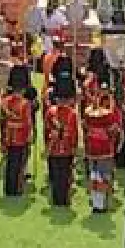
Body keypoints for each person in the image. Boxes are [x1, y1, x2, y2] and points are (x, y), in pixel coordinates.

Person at [80, 57, 121, 212]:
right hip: (105, 147)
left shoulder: (90, 109)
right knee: (104, 174)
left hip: (92, 146)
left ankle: (97, 201)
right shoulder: (110, 109)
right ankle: (101, 203)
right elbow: (114, 128)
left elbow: (85, 125)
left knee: (94, 172)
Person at [0, 64, 36, 197]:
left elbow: (1, 119)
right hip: (21, 136)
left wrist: (2, 136)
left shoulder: (5, 100)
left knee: (10, 162)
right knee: (19, 162)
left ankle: (9, 188)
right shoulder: (26, 102)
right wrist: (30, 135)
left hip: (8, 135)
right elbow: (28, 121)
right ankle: (17, 187)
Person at [43, 70, 79, 206]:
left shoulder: (50, 111)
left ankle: (57, 198)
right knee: (65, 174)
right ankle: (63, 199)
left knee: (55, 173)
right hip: (66, 147)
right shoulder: (72, 113)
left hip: (53, 147)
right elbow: (74, 133)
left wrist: (47, 144)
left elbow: (46, 130)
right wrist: (74, 148)